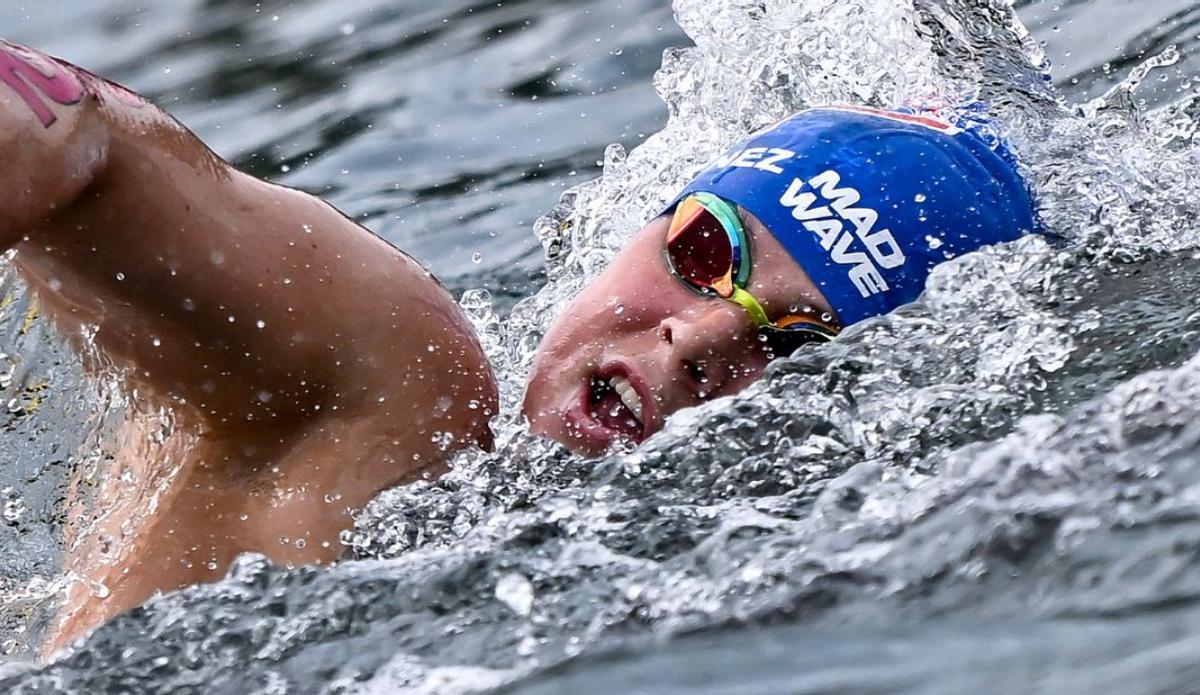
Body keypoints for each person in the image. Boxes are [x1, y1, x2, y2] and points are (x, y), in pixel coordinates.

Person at [0, 39, 1036, 652]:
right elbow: (77, 133)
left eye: (798, 345)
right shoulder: (402, 383)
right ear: (648, 218)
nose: (693, 339)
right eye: (706, 249)